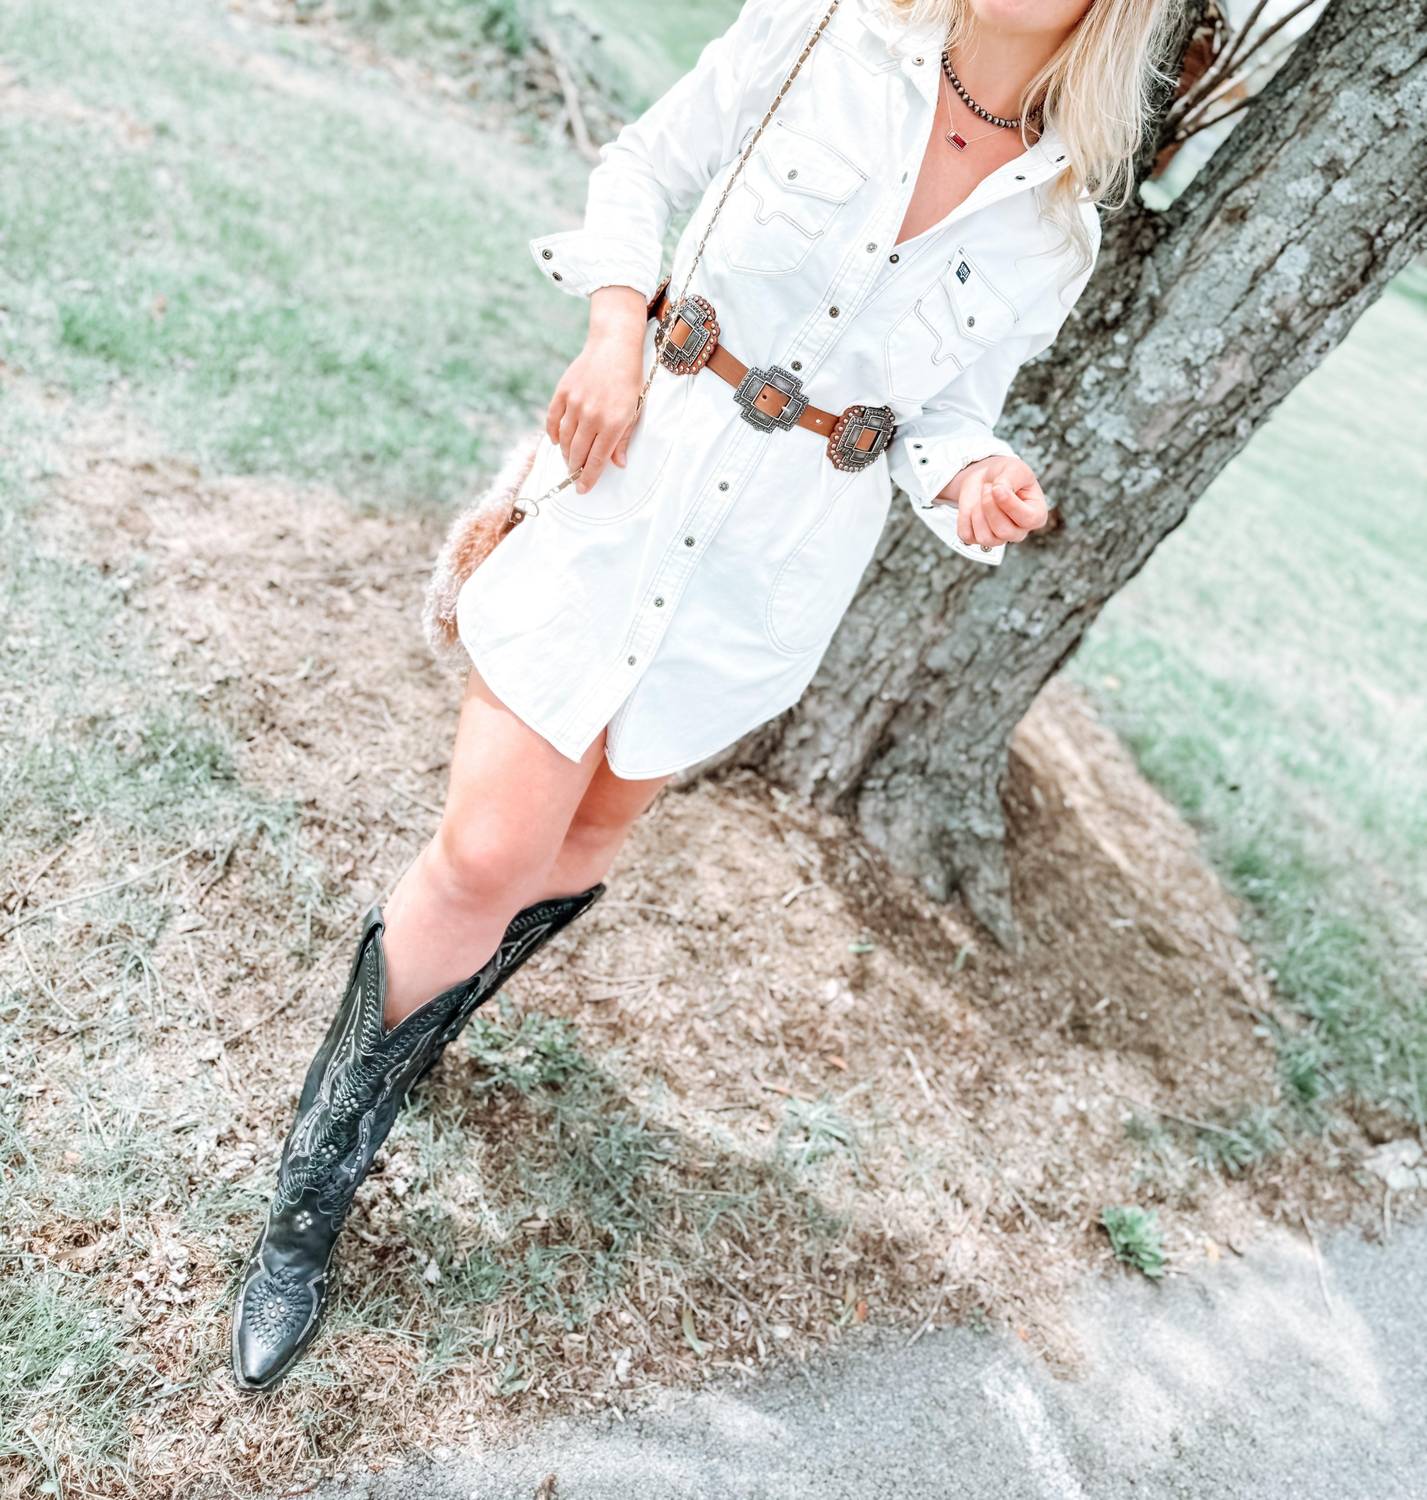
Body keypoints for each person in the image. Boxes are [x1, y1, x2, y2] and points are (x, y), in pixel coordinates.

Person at [230, 0, 1175, 1390]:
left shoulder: (1058, 224)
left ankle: (404, 1051)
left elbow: (943, 420)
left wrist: (975, 476)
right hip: (630, 479)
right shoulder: (823, 32)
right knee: (488, 853)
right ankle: (312, 1193)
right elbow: (642, 165)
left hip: (765, 576)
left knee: (583, 840)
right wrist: (615, 326)